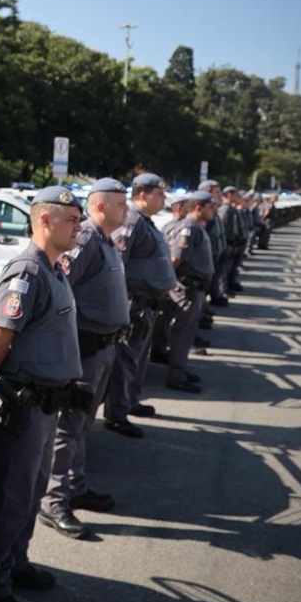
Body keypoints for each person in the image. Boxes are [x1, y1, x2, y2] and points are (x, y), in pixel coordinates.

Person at [0, 186, 90, 602]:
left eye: (80, 220)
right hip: (24, 407)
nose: (79, 227)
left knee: (32, 494)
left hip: (47, 407)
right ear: (44, 220)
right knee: (14, 498)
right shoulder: (27, 271)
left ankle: (16, 563)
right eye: (71, 220)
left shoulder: (54, 269)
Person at [38, 178, 131, 539]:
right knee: (68, 426)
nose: (127, 210)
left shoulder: (104, 239)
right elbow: (60, 289)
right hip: (86, 347)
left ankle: (75, 485)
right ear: (102, 206)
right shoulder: (88, 238)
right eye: (121, 204)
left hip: (104, 347)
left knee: (81, 425)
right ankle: (54, 500)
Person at [104, 173, 178, 439]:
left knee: (137, 358)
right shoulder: (132, 220)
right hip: (134, 303)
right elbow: (118, 263)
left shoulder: (144, 220)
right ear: (143, 194)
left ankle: (130, 401)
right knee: (126, 360)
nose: (164, 198)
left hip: (147, 304)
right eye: (160, 193)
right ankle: (117, 412)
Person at [161, 191, 216, 393]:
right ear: (198, 207)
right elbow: (176, 259)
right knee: (183, 334)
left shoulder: (196, 227)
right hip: (188, 287)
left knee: (186, 332)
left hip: (195, 287)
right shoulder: (189, 227)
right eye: (210, 207)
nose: (213, 211)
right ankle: (176, 375)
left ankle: (179, 369)